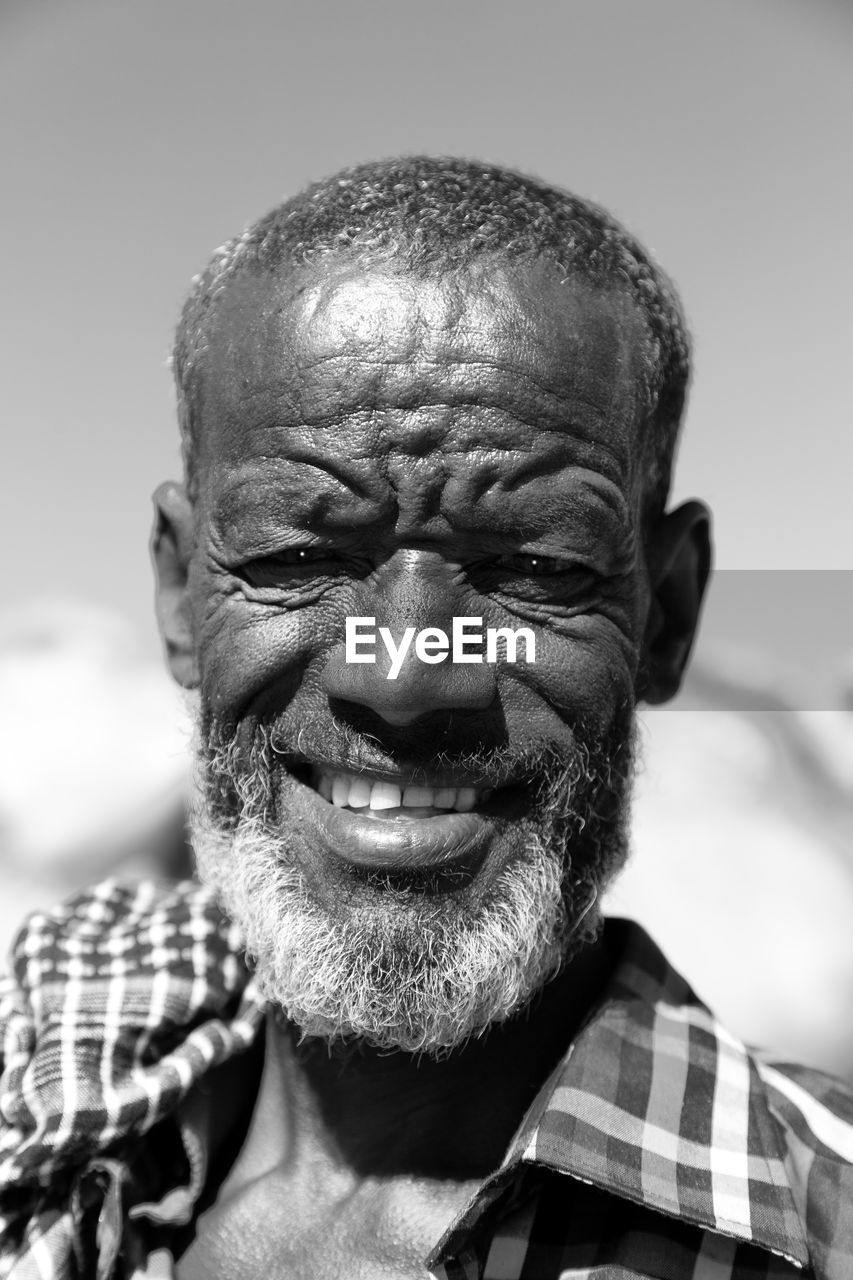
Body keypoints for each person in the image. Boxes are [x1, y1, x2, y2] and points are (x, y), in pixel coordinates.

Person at [1, 157, 851, 1280]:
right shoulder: (58, 1086)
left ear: (666, 614)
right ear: (178, 595)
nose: (402, 681)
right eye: (302, 557)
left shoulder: (813, 1222)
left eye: (534, 567)